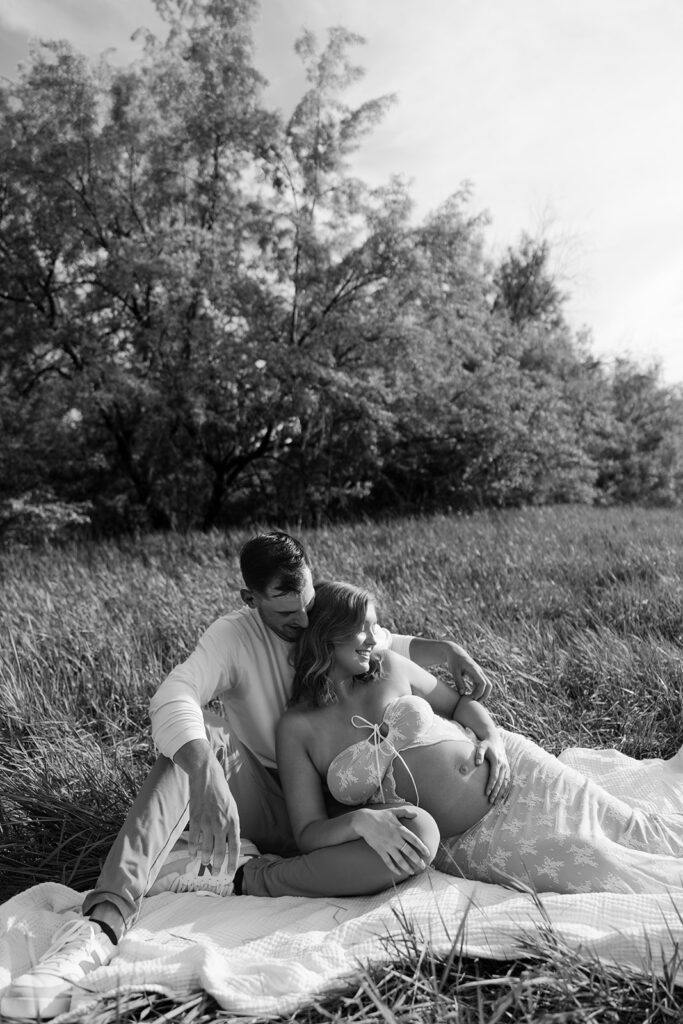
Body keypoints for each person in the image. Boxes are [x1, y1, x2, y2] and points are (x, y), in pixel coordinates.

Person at [1, 531, 491, 1021]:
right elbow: (176, 694)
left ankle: (242, 878)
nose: (303, 624)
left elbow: (377, 637)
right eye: (285, 615)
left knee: (414, 835)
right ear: (249, 600)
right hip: (269, 795)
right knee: (197, 743)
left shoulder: (319, 615)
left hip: (347, 798)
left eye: (308, 605)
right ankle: (99, 930)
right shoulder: (232, 637)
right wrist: (204, 773)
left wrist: (442, 649)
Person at [275, 580, 683, 900]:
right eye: (361, 629)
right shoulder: (297, 728)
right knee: (599, 868)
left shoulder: (389, 667)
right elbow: (308, 832)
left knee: (635, 830)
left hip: (516, 773)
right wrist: (360, 820)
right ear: (328, 633)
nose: (373, 638)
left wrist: (493, 740)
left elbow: (460, 706)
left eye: (373, 627)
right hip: (468, 841)